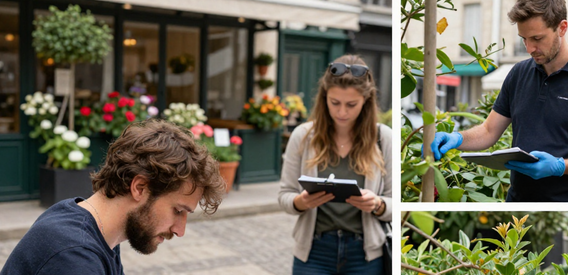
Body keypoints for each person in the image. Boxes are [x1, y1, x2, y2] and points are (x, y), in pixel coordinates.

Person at [427, 0, 568, 202]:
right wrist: (457, 138)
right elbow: (488, 131)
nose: (530, 48)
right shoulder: (519, 73)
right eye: (524, 39)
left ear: (562, 28)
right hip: (516, 202)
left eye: (537, 38)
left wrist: (560, 166)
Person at [0, 119, 225, 275]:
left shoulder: (95, 230)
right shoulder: (74, 256)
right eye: (178, 210)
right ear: (140, 187)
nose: (180, 230)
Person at [278, 54, 391, 274]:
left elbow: (396, 203)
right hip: (313, 252)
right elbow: (284, 195)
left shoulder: (383, 137)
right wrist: (301, 202)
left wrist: (378, 204)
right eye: (335, 102)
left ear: (366, 100)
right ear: (324, 97)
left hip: (365, 255)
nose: (342, 112)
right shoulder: (303, 136)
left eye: (351, 104)